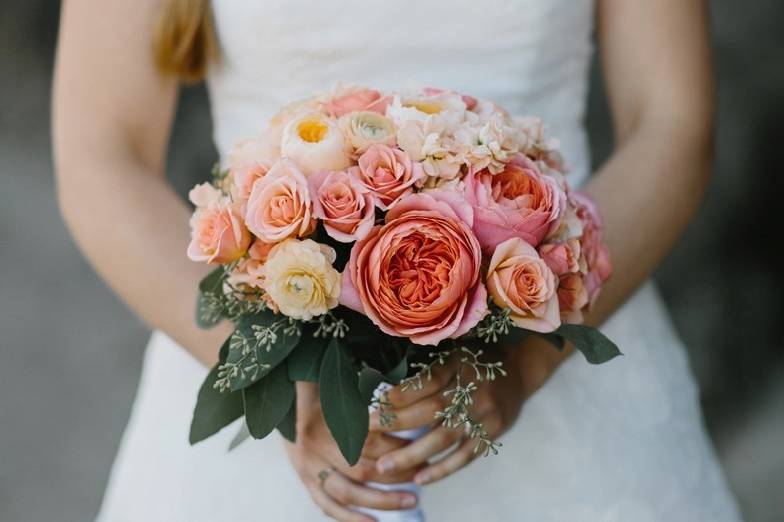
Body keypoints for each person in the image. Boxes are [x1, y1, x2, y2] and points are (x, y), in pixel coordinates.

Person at [53, 0, 741, 520]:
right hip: (271, 372)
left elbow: (672, 121)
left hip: (561, 348)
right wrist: (272, 376)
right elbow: (100, 154)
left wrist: (528, 363)